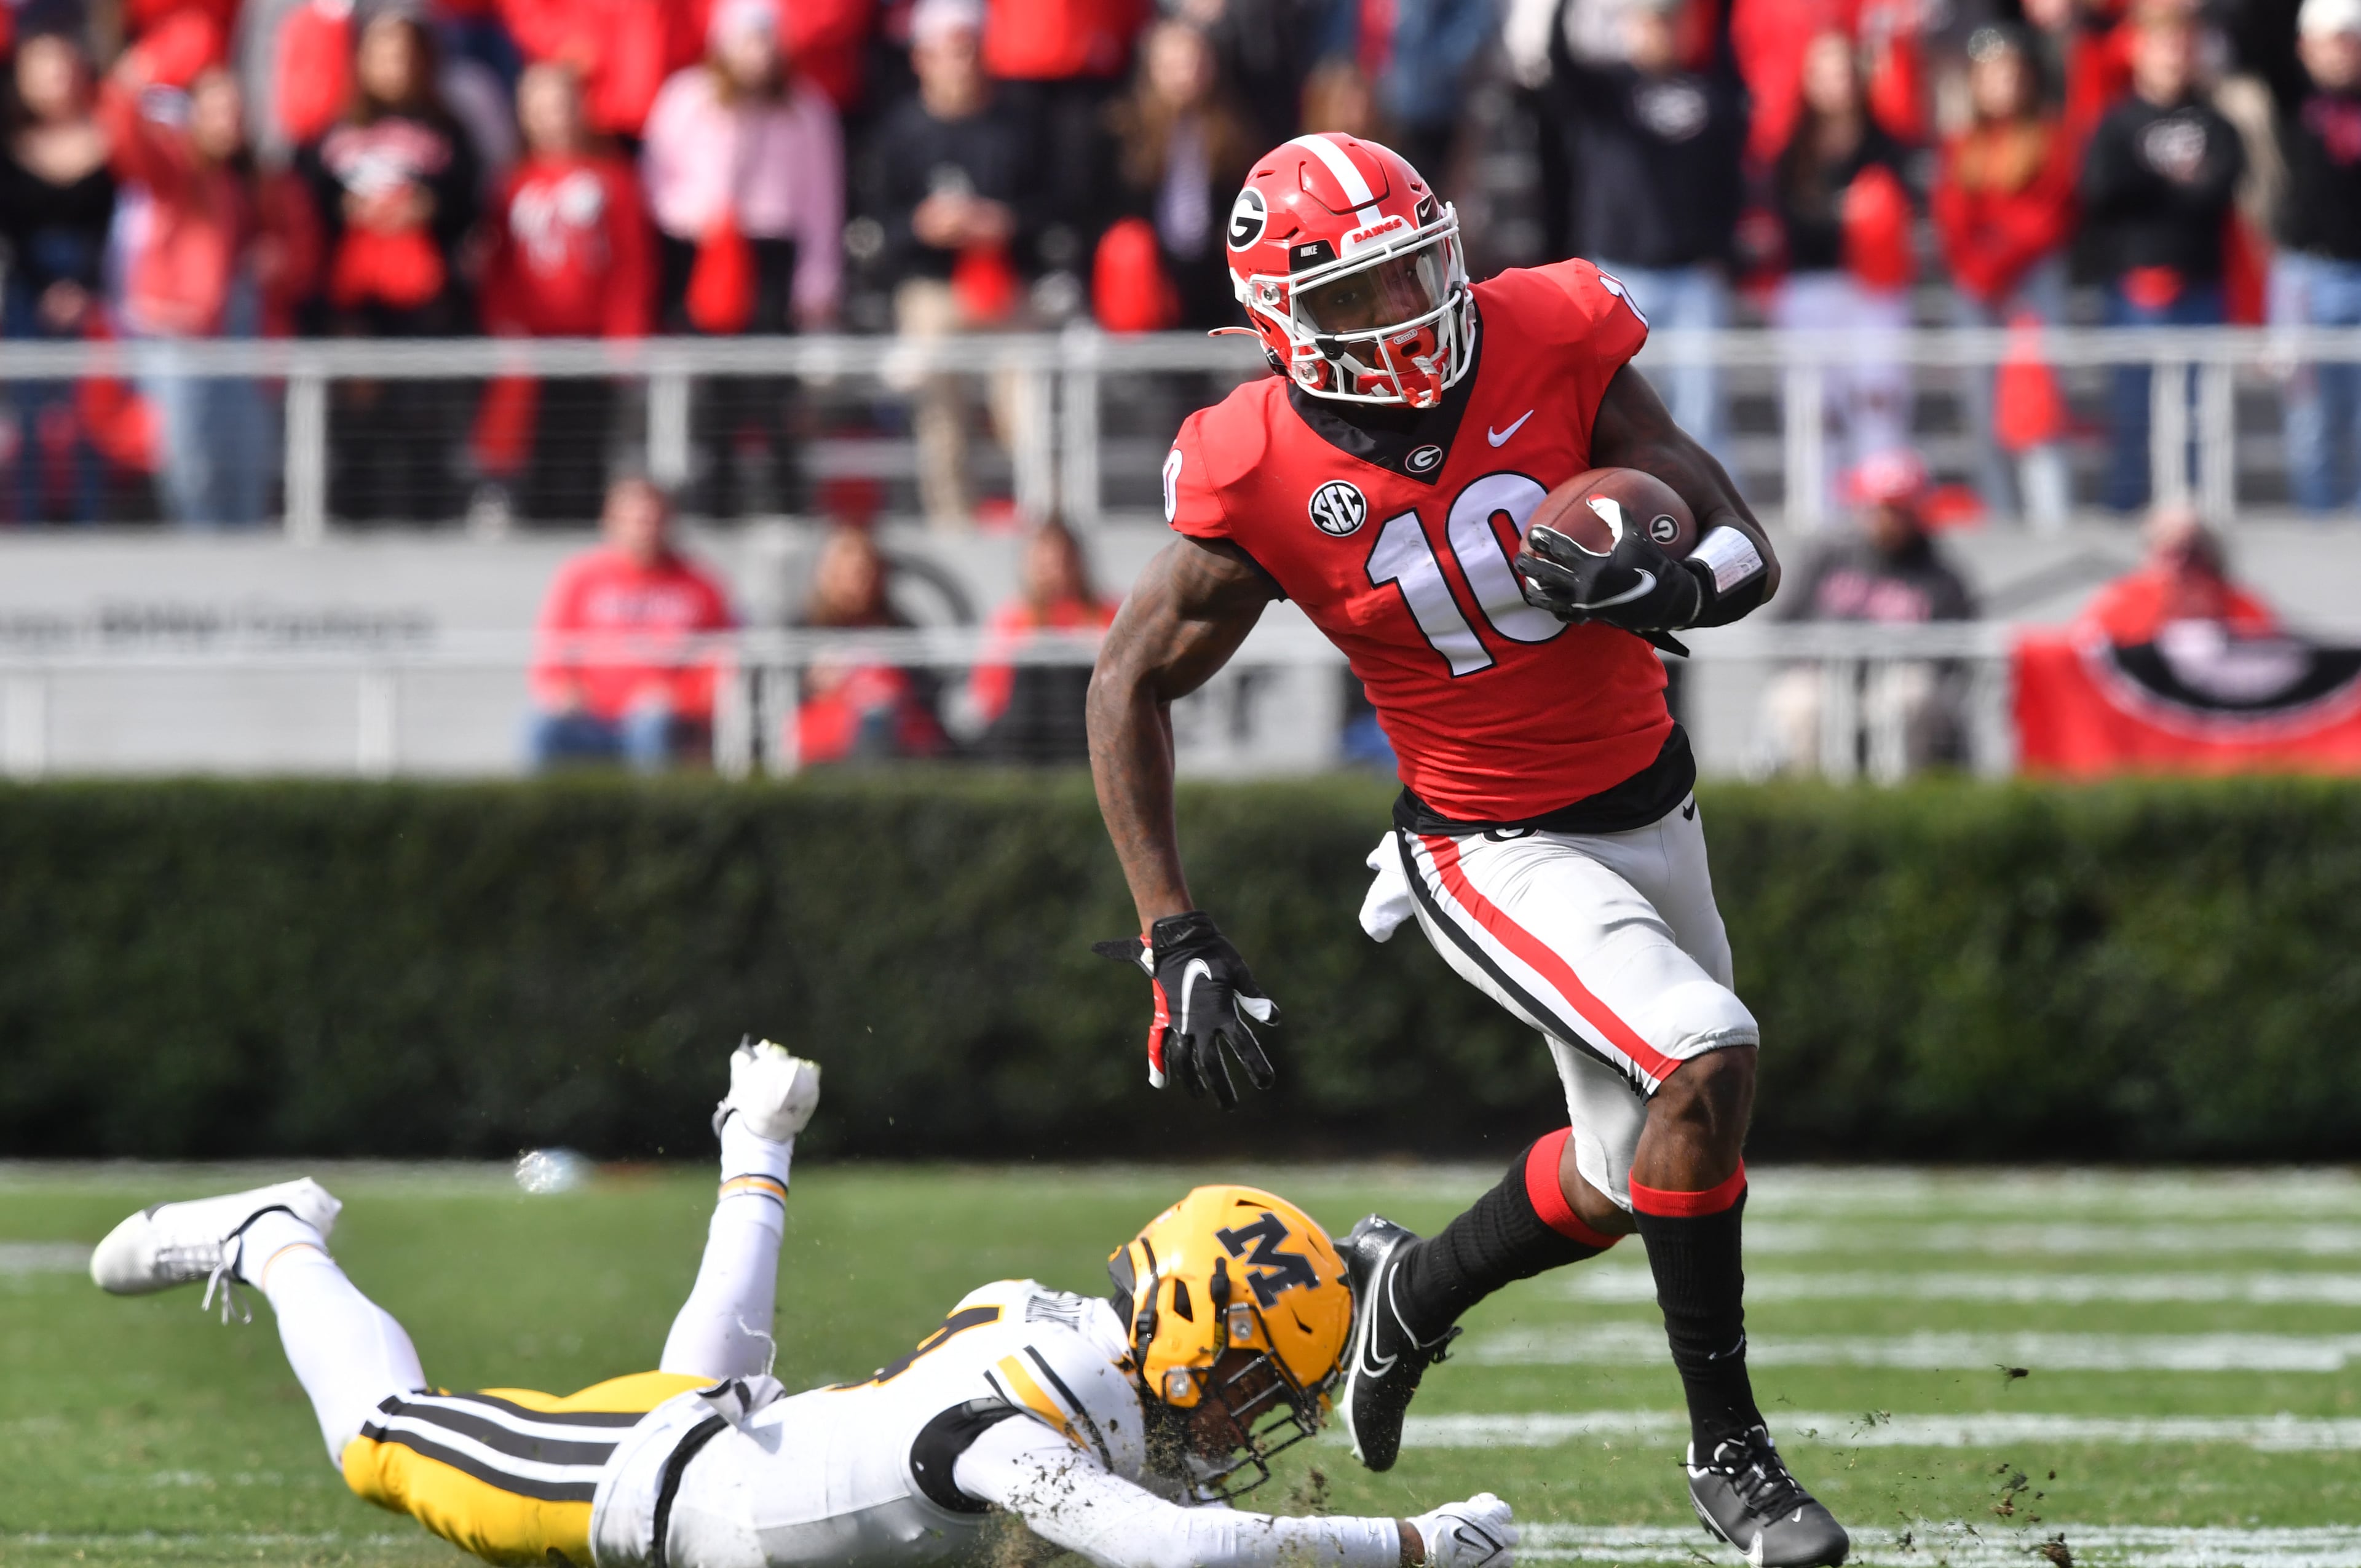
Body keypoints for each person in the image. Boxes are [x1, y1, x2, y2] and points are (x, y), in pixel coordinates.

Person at [1086, 132, 1845, 1568]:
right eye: (1359, 296)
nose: (1405, 313)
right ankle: (1731, 1458)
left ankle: (1409, 1294)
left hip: (1655, 806)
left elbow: (1741, 540)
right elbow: (1125, 680)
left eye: (1415, 271)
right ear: (1280, 321)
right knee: (1704, 1057)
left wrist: (1673, 582)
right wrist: (1168, 929)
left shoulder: (1548, 326)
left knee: (1631, 1170)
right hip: (1487, 844)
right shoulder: (1255, 463)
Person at [85, 1039, 1518, 1568]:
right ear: (1193, 1338)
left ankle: (755, 1144)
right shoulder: (1016, 1424)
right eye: (1261, 1383)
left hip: (719, 1443)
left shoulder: (1073, 1348)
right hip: (634, 1488)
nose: (1259, 1420)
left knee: (709, 1411)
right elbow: (1177, 1549)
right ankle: (280, 1238)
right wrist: (1407, 1544)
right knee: (381, 1444)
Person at [641, 0, 844, 519]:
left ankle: (787, 504)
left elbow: (822, 200)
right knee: (713, 386)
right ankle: (715, 504)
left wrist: (818, 278)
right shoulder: (687, 98)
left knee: (774, 388)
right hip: (707, 252)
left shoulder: (805, 107)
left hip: (773, 253)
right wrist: (702, 215)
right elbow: (659, 179)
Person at [295, 11, 484, 524]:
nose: (394, 66)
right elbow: (303, 209)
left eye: (404, 55)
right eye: (381, 54)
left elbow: (472, 205)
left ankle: (426, 532)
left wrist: (430, 206)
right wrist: (344, 210)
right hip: (352, 308)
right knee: (358, 428)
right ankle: (355, 538)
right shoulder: (333, 132)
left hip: (427, 310)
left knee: (422, 425)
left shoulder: (448, 130)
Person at [868, 0, 1045, 529]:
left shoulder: (1018, 122)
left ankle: (1044, 520)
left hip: (1007, 284)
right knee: (938, 404)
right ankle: (951, 521)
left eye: (967, 51)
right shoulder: (899, 131)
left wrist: (1004, 223)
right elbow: (876, 221)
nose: (959, 64)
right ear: (921, 58)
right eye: (947, 52)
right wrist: (921, 226)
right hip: (933, 286)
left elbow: (1054, 208)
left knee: (1030, 405)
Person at [1556, 0, 1746, 467]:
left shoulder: (1710, 89)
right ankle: (1629, 496)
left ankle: (1704, 504)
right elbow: (1560, 63)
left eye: (1670, 22)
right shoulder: (1607, 90)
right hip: (1622, 276)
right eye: (1652, 22)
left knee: (1701, 411)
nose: (1661, 32)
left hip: (1692, 278)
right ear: (1631, 27)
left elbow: (1730, 175)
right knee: (1618, 410)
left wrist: (1723, 249)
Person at [2080, 0, 2245, 513]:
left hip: (2200, 284)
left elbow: (2219, 191)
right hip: (2135, 289)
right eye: (2163, 46)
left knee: (2201, 412)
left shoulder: (2215, 122)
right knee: (2132, 411)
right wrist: (2175, 183)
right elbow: (2104, 192)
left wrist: (2153, 185)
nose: (2173, 57)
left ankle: (2195, 514)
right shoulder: (2116, 122)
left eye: (2182, 46)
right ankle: (2127, 507)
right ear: (2140, 52)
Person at [481, 61, 653, 524]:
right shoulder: (513, 182)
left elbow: (632, 264)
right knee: (533, 449)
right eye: (540, 109)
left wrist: (625, 335)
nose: (553, 119)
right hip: (533, 346)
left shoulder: (613, 178)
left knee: (588, 447)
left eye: (561, 106)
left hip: (592, 344)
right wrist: (506, 329)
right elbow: (499, 267)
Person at [1932, 24, 2078, 528]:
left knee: (2038, 410)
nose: (2005, 85)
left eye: (2014, 74)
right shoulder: (1962, 145)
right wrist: (1980, 271)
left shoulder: (2051, 139)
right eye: (1994, 75)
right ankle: (2001, 517)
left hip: (2030, 285)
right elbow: (1952, 218)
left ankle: (2050, 520)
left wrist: (1996, 263)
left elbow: (2048, 216)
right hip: (1977, 289)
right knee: (1982, 408)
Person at [1759, 449, 1979, 779]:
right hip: (1822, 675)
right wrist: (1808, 660)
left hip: (1899, 679)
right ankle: (1812, 803)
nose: (1886, 519)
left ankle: (1901, 801)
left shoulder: (1939, 571)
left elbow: (1957, 648)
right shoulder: (1827, 555)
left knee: (1907, 699)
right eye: (1877, 508)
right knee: (1802, 704)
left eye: (1898, 510)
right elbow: (1782, 622)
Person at [1768, 30, 1915, 518]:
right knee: (1814, 410)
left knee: (1878, 403)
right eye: (1825, 74)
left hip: (1872, 291)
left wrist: (1866, 214)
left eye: (1845, 72)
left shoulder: (1884, 144)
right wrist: (1844, 213)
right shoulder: (1794, 151)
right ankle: (1817, 515)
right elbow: (1790, 218)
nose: (1837, 84)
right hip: (1812, 288)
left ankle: (1884, 514)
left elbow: (1900, 204)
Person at [528, 475, 735, 772]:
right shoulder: (581, 577)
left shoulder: (700, 584)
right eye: (637, 520)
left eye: (655, 519)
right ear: (611, 522)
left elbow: (722, 659)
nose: (646, 529)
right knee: (540, 727)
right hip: (591, 716)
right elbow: (553, 648)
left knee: (652, 726)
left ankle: (650, 803)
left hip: (666, 719)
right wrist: (562, 690)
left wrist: (679, 697)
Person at [2244, 0, 2361, 513]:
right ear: (2305, 47)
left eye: (2349, 42)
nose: (2339, 54)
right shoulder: (2291, 94)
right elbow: (2258, 30)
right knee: (2310, 415)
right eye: (2328, 42)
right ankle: (2317, 518)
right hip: (2305, 276)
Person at [1, 27, 116, 525]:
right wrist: (45, 286)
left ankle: (88, 521)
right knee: (27, 411)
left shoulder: (109, 142)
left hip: (91, 290)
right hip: (27, 291)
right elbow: (12, 232)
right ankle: (27, 522)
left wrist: (82, 286)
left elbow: (115, 227)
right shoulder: (10, 147)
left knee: (89, 413)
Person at [1102, 20, 1259, 331]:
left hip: (1213, 275)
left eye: (1195, 63)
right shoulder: (1123, 129)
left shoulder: (1234, 130)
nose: (1187, 75)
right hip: (1150, 279)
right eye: (1174, 66)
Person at [793, 524, 949, 764]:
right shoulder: (802, 629)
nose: (856, 583)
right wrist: (812, 686)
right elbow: (782, 696)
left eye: (864, 573)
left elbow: (928, 688)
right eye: (846, 573)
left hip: (898, 735)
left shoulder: (899, 626)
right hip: (829, 741)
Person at [965, 517, 1117, 762]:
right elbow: (989, 693)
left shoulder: (1107, 614)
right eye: (1046, 564)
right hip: (1022, 728)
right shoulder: (1013, 618)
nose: (1056, 571)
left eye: (1063, 562)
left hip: (1085, 723)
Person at [2078, 501, 2279, 644]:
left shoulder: (2242, 608)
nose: (2181, 567)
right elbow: (2082, 658)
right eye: (2171, 554)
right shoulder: (2121, 603)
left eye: (2192, 555)